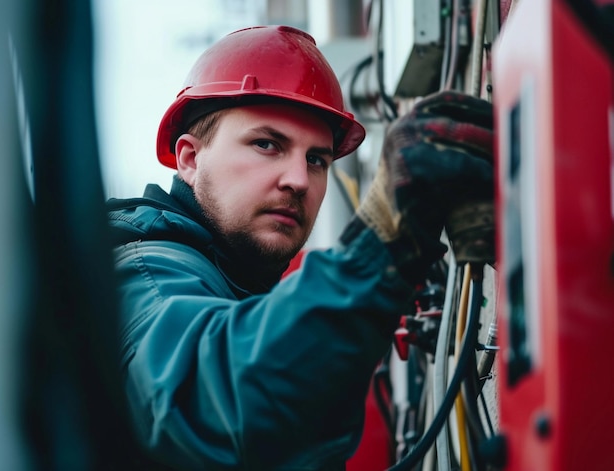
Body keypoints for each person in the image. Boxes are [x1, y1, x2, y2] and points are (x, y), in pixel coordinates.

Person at [107, 25, 494, 471]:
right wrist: (378, 255)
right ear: (191, 159)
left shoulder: (241, 285)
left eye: (316, 159)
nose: (298, 179)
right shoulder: (143, 272)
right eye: (267, 144)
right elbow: (212, 404)